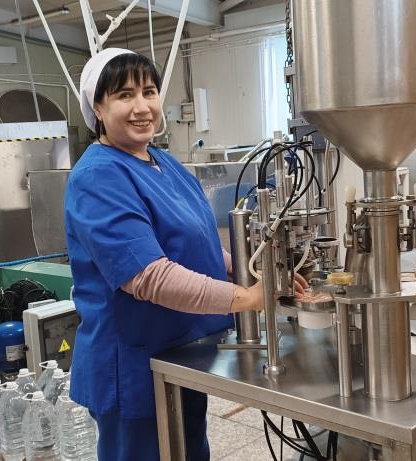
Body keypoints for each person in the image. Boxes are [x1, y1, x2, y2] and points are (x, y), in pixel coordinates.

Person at [63, 48, 305, 460]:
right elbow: (148, 276)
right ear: (97, 109)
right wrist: (245, 297)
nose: (142, 107)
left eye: (149, 91)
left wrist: (250, 272)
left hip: (182, 351)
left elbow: (198, 244)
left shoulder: (164, 163)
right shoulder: (98, 176)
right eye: (124, 95)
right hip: (134, 364)